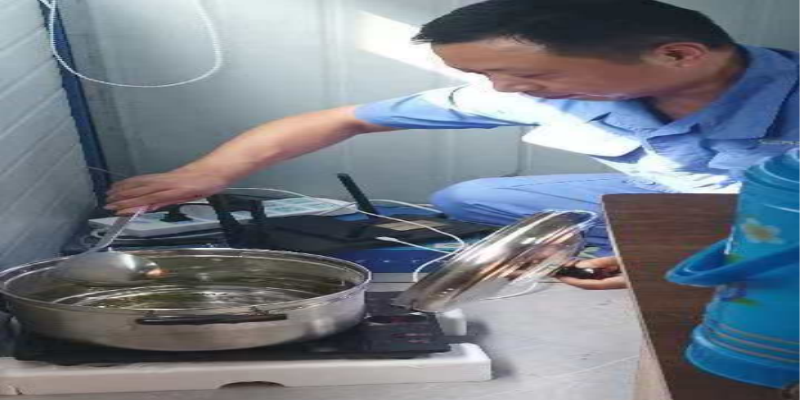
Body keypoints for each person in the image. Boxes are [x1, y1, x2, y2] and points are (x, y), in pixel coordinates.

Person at [106, 0, 800, 290]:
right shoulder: (541, 91)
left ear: (677, 56)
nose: (505, 91)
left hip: (775, 220)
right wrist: (207, 172)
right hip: (665, 195)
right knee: (466, 197)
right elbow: (342, 119)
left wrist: (679, 259)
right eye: (486, 77)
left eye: (528, 76)